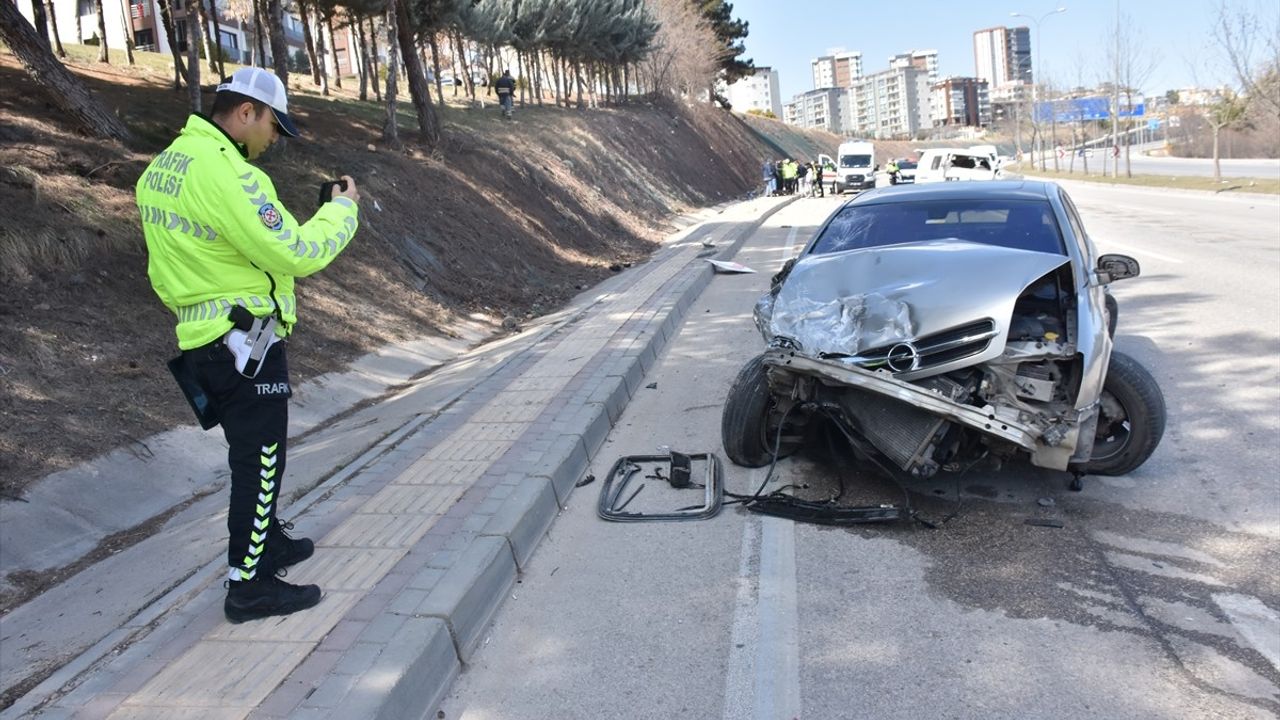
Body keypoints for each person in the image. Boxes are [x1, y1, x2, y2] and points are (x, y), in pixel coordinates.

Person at [135, 67, 361, 623]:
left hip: (201, 338)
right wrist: (341, 211)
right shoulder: (230, 175)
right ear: (245, 113)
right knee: (259, 462)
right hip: (242, 343)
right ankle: (250, 585)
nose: (274, 141)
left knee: (258, 459)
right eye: (273, 127)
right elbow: (296, 253)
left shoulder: (163, 168)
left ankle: (269, 547)